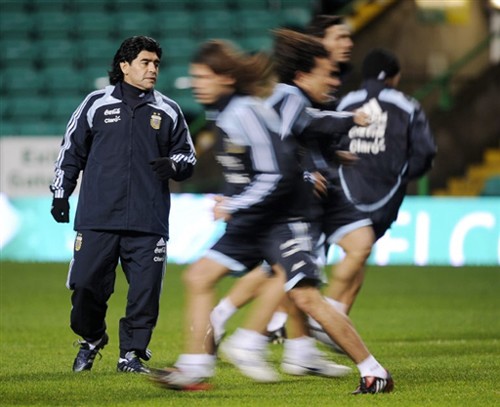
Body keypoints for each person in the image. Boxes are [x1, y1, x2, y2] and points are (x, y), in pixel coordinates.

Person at [210, 31, 394, 394]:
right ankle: (241, 330)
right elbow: (297, 132)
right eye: (327, 72)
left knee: (299, 276)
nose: (333, 80)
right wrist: (340, 131)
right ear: (303, 73)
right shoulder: (287, 98)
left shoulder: (286, 98)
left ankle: (298, 346)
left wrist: (329, 155)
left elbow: (300, 134)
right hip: (293, 200)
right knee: (291, 279)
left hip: (307, 196)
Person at [149, 39, 323, 389]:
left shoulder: (243, 111)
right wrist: (232, 198)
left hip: (274, 214)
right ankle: (202, 363)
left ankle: (251, 344)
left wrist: (233, 204)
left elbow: (274, 172)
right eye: (195, 77)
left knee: (284, 277)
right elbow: (247, 167)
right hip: (258, 213)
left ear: (227, 78)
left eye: (204, 77)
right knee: (200, 278)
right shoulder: (226, 111)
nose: (197, 84)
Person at [49, 36, 196, 374]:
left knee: (145, 293)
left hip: (148, 219)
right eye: (145, 62)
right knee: (85, 286)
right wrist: (61, 193)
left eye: (156, 63)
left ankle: (131, 354)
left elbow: (187, 156)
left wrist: (174, 165)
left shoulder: (168, 110)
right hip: (98, 216)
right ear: (124, 66)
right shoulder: (95, 104)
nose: (153, 69)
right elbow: (71, 151)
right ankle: (91, 338)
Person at [336, 47, 437, 241]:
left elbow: (326, 144)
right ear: (391, 77)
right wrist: (402, 174)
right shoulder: (407, 105)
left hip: (345, 196)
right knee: (362, 247)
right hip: (386, 200)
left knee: (355, 247)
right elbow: (426, 151)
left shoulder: (344, 104)